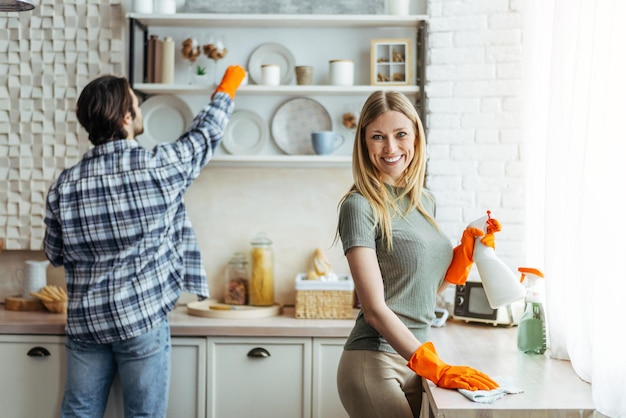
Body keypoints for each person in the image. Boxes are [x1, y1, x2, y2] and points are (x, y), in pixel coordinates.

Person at [43, 65, 246, 418]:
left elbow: (54, 253)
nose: (140, 110)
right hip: (141, 320)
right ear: (126, 115)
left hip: (86, 323)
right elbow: (204, 134)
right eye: (136, 104)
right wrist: (227, 88)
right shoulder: (159, 167)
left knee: (78, 413)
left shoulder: (65, 184)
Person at [336, 91, 501, 418]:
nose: (391, 148)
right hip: (375, 360)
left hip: (415, 358)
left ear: (416, 136)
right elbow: (374, 310)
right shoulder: (359, 206)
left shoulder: (424, 201)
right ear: (364, 143)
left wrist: (463, 257)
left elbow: (420, 288)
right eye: (378, 137)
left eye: (400, 135)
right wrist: (436, 368)